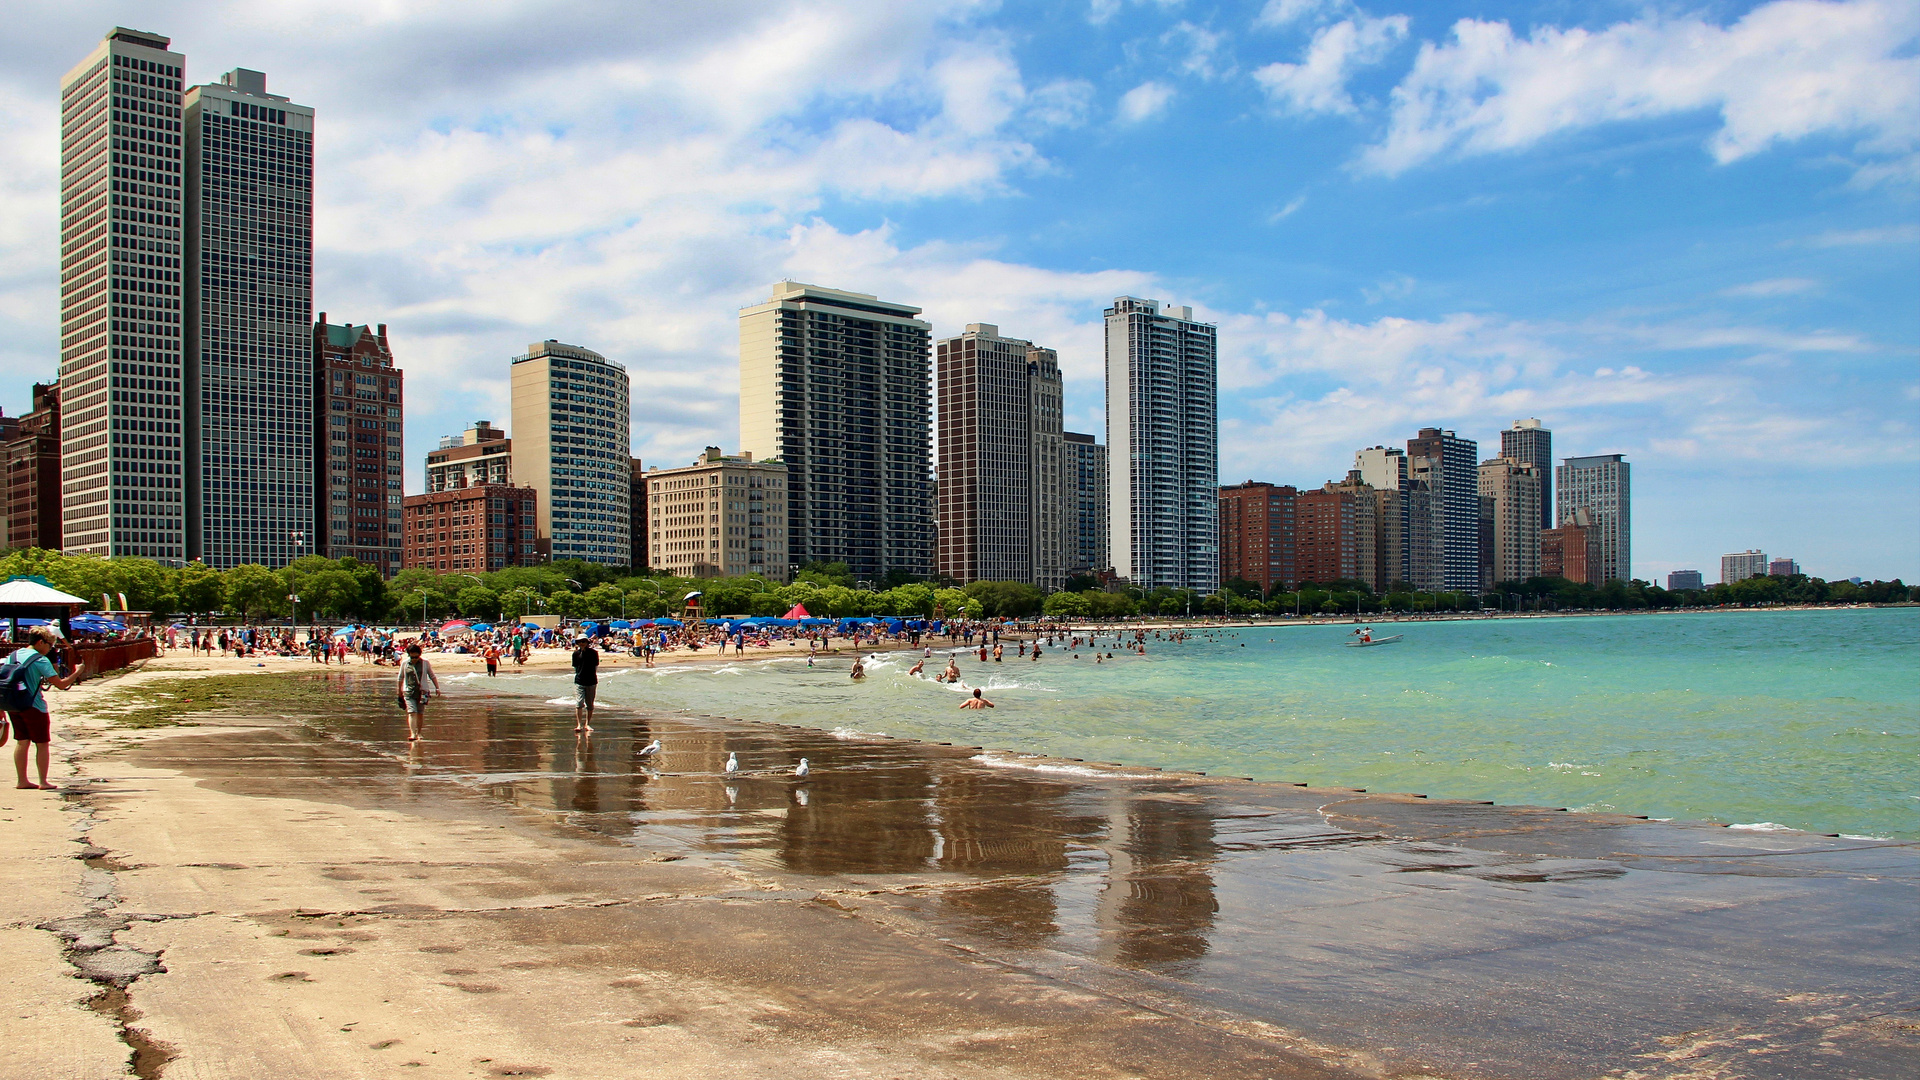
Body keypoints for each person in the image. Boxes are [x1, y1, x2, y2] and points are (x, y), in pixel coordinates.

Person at [5, 628, 83, 790]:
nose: (50, 649)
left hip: (14, 705)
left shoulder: (13, 655)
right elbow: (61, 684)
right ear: (41, 642)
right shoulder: (40, 660)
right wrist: (77, 672)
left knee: (22, 741)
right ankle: (43, 781)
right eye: (50, 645)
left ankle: (22, 780)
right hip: (34, 706)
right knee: (42, 743)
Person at [397, 643, 439, 742]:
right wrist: (399, 692)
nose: (414, 659)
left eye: (416, 657)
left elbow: (432, 675)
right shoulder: (405, 663)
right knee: (412, 712)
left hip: (423, 691)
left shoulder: (425, 663)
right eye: (412, 657)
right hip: (408, 691)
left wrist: (437, 688)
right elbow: (400, 678)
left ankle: (419, 733)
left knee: (420, 713)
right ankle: (413, 733)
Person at [571, 636, 600, 733]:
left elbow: (596, 666)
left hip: (591, 681)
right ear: (577, 643)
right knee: (579, 703)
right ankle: (579, 724)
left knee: (590, 704)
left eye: (584, 641)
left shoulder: (593, 653)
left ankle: (587, 724)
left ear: (587, 642)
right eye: (580, 642)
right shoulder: (575, 654)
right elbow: (575, 667)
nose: (582, 643)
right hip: (579, 681)